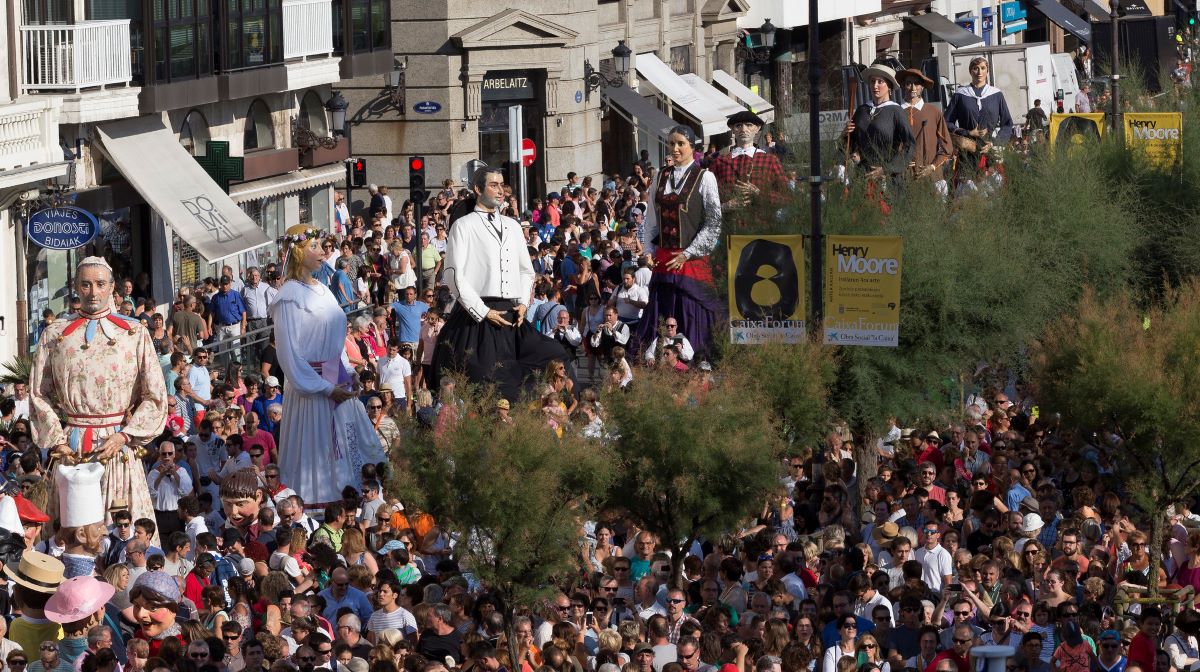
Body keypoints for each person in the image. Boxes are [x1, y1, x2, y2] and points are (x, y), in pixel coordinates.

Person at [28, 257, 165, 539]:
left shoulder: (135, 333)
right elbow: (38, 394)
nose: (93, 292)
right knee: (70, 538)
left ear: (112, 287)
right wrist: (57, 440)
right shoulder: (54, 335)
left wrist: (125, 436)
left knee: (120, 538)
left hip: (118, 448)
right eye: (86, 284)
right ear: (76, 287)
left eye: (100, 284)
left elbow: (155, 396)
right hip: (71, 451)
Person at [269, 225, 387, 514]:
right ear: (298, 252)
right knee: (317, 448)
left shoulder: (323, 290)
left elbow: (335, 343)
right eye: (315, 247)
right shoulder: (289, 296)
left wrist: (349, 373)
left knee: (346, 448)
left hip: (336, 380)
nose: (323, 252)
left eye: (323, 246)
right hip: (312, 388)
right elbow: (289, 355)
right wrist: (324, 388)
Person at [433, 167, 567, 401]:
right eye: (493, 185)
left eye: (502, 184)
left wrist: (524, 304)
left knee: (553, 354)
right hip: (478, 316)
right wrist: (483, 311)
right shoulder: (463, 225)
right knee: (485, 380)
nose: (500, 190)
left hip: (513, 315)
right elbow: (453, 275)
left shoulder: (513, 226)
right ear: (478, 189)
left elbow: (526, 270)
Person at [636, 126, 725, 360]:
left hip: (691, 260)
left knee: (692, 312)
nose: (675, 149)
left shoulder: (704, 177)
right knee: (660, 312)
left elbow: (714, 223)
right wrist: (648, 250)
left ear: (692, 147)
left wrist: (688, 253)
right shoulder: (661, 176)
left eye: (680, 144)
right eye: (671, 143)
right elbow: (651, 219)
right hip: (665, 259)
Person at [943, 56, 1014, 195]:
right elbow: (946, 122)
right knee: (967, 197)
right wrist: (967, 133)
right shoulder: (960, 95)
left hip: (990, 154)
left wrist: (994, 143)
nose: (979, 72)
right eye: (975, 68)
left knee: (993, 196)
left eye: (983, 68)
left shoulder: (996, 94)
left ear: (987, 70)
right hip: (967, 154)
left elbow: (1007, 124)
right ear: (970, 71)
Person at [842, 63, 915, 192]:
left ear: (889, 87)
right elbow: (849, 144)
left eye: (880, 82)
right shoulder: (861, 111)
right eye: (872, 81)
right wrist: (845, 135)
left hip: (888, 180)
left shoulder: (896, 111)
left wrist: (886, 169)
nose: (875, 85)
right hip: (861, 179)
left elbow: (910, 145)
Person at [708, 110, 788, 210]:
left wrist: (758, 193)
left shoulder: (770, 160)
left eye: (749, 125)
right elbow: (707, 199)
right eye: (738, 126)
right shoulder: (719, 162)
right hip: (729, 223)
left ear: (757, 128)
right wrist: (725, 207)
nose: (743, 129)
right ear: (732, 129)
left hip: (763, 223)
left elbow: (787, 197)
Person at [896, 68, 952, 193]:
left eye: (917, 83)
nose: (913, 87)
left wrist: (932, 167)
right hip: (903, 180)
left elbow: (947, 148)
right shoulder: (895, 112)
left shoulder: (934, 112)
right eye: (909, 83)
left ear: (922, 87)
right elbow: (888, 146)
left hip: (932, 179)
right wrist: (899, 162)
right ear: (903, 86)